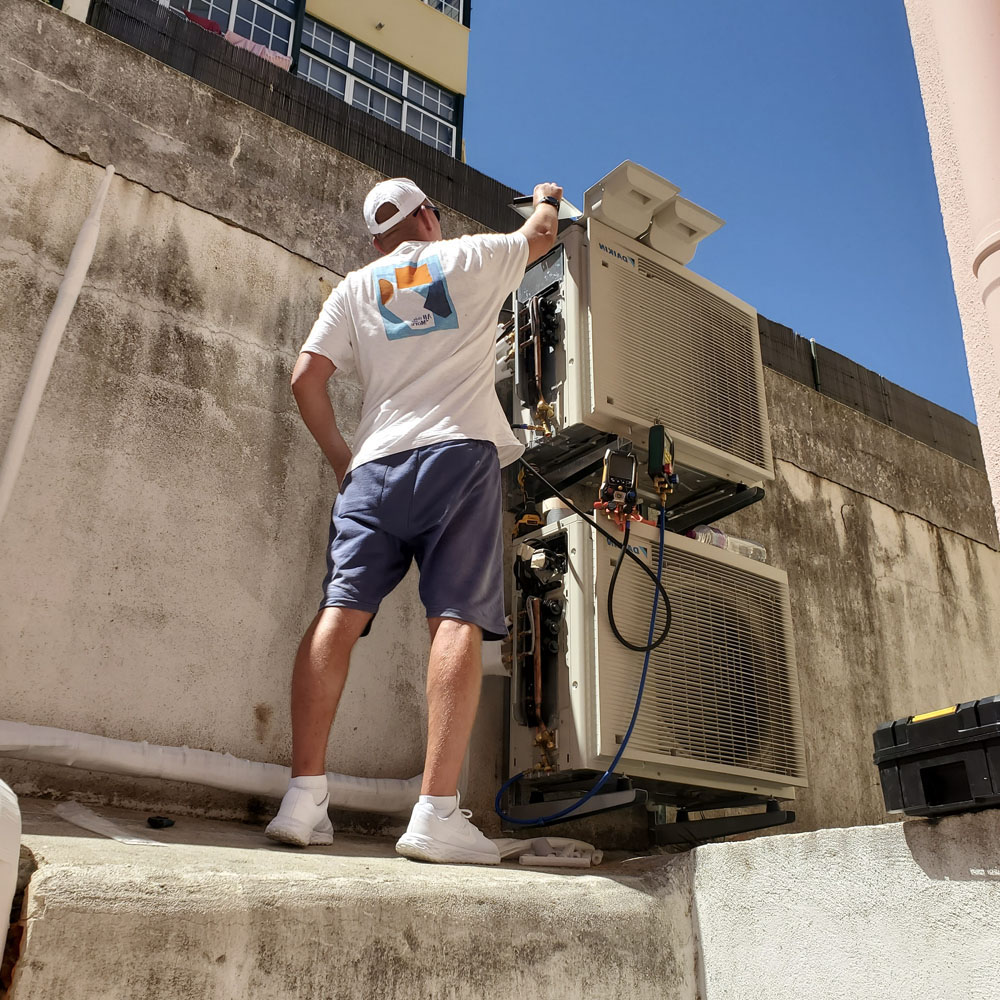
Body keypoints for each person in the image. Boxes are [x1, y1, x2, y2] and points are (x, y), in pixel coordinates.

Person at [265, 177, 563, 864]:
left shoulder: (354, 287)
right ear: (429, 216)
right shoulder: (465, 257)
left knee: (337, 615)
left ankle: (303, 799)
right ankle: (434, 814)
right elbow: (541, 238)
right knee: (455, 617)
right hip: (455, 454)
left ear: (376, 240)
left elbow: (305, 378)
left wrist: (344, 459)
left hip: (373, 469)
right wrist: (547, 196)